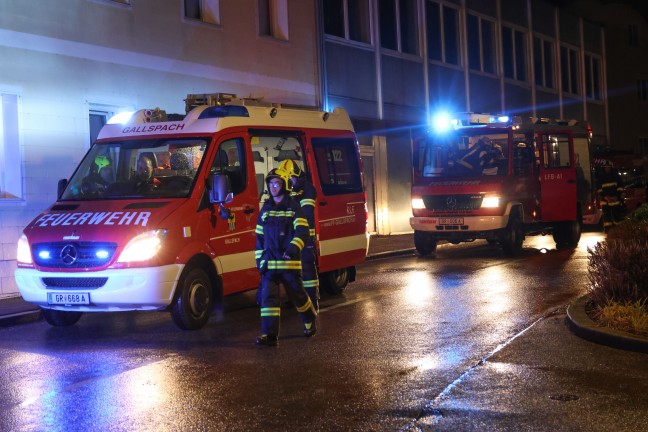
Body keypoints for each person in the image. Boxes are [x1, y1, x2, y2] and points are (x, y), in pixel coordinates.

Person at [254, 168, 318, 346]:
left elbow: (303, 231)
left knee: (298, 296)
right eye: (271, 183)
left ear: (284, 186)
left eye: (277, 183)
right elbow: (259, 237)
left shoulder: (293, 207)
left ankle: (310, 320)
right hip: (269, 264)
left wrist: (291, 250)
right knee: (269, 300)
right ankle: (270, 336)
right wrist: (260, 260)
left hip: (289, 263)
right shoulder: (265, 209)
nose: (274, 187)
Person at [278, 159, 320, 311]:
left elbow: (306, 216)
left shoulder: (308, 189)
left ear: (296, 175)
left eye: (290, 179)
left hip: (305, 236)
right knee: (292, 270)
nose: (289, 182)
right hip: (292, 238)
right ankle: (297, 300)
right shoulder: (292, 190)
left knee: (308, 270)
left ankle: (313, 302)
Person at [597, 160, 624, 230]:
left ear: (611, 168)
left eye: (608, 167)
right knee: (607, 220)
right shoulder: (600, 178)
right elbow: (599, 190)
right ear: (603, 168)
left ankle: (618, 232)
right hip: (605, 202)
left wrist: (616, 196)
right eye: (605, 167)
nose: (607, 168)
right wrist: (605, 197)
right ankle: (608, 233)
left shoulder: (616, 177)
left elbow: (620, 188)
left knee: (617, 219)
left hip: (615, 201)